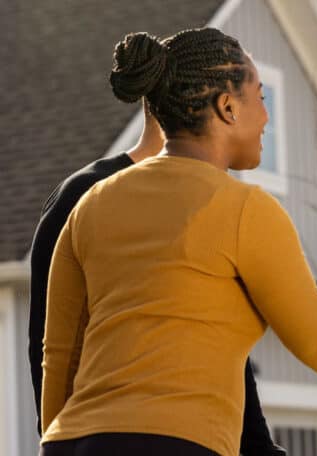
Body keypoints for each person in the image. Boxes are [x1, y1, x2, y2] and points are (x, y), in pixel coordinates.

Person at [40, 28, 317, 456]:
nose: (266, 117)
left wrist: (54, 442)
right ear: (228, 107)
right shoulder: (244, 208)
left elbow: (59, 353)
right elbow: (313, 331)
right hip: (175, 443)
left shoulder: (92, 203)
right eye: (261, 98)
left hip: (70, 441)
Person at [28, 97, 286, 455]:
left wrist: (259, 448)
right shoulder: (84, 198)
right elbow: (50, 349)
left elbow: (223, 349)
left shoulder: (210, 204)